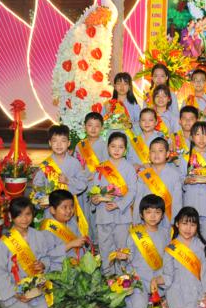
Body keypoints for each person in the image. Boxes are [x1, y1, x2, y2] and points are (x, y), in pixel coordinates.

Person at [151, 207, 206, 308]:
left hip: (197, 292)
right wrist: (156, 280)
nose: (188, 228)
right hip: (178, 294)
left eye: (192, 225)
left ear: (197, 227)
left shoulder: (200, 246)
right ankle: (172, 307)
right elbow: (168, 276)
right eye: (184, 223)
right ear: (177, 224)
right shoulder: (171, 248)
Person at [0, 197, 54, 308]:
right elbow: (1, 272)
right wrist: (15, 293)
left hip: (34, 288)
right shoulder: (3, 243)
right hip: (13, 291)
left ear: (33, 215)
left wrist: (43, 264)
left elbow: (46, 257)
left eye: (28, 214)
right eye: (19, 215)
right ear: (11, 216)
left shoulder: (39, 235)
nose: (24, 219)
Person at [91, 132, 138, 275]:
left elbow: (132, 191)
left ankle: (122, 279)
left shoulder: (129, 168)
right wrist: (95, 199)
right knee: (105, 247)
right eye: (113, 146)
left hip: (122, 216)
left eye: (120, 147)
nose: (117, 150)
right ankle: (108, 276)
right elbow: (94, 189)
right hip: (103, 214)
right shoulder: (101, 167)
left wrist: (119, 204)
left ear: (125, 150)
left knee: (121, 248)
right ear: (108, 148)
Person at [122, 194, 171, 308]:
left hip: (158, 279)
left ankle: (152, 296)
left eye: (157, 212)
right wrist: (124, 257)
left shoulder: (166, 233)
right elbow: (129, 259)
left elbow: (168, 259)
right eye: (148, 212)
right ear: (141, 215)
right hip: (140, 280)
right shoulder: (136, 234)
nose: (153, 216)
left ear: (162, 215)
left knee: (174, 301)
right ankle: (125, 298)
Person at [73, 112, 109, 241]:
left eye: (97, 126)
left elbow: (106, 166)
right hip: (82, 186)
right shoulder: (80, 145)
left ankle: (97, 243)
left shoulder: (105, 145)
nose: (93, 129)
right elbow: (76, 165)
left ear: (102, 128)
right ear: (84, 127)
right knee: (83, 214)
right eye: (90, 125)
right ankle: (86, 241)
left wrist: (95, 177)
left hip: (96, 186)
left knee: (96, 215)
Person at [183, 121, 206, 245]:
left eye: (205, 134)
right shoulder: (185, 157)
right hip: (190, 203)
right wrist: (186, 180)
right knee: (190, 241)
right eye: (197, 134)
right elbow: (179, 179)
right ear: (191, 137)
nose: (201, 138)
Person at [134, 138, 183, 230]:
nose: (156, 154)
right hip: (147, 219)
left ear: (167, 154)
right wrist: (136, 220)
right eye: (153, 151)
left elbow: (177, 202)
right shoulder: (144, 173)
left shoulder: (175, 174)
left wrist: (175, 221)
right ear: (149, 154)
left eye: (160, 151)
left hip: (168, 220)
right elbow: (138, 198)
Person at [39, 189, 89, 270]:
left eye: (71, 206)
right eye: (64, 207)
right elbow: (48, 255)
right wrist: (70, 244)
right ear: (52, 210)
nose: (69, 211)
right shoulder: (47, 228)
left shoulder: (72, 221)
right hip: (58, 269)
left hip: (77, 265)